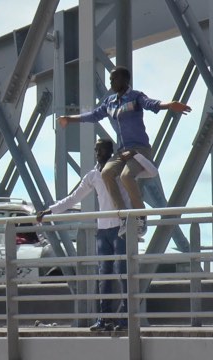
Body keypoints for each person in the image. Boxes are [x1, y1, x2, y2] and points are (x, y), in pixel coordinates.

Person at [36, 138, 157, 332]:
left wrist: (136, 155)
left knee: (123, 273)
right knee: (104, 275)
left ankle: (126, 318)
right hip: (103, 230)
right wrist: (49, 211)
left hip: (121, 228)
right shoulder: (92, 175)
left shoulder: (121, 170)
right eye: (96, 150)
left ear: (110, 152)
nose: (98, 153)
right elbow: (73, 198)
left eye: (101, 150)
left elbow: (152, 172)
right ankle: (104, 318)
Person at [57, 66, 191, 237]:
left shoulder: (135, 97)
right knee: (106, 173)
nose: (110, 82)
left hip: (139, 150)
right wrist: (69, 119)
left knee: (126, 176)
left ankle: (140, 217)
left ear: (125, 80)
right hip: (122, 151)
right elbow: (94, 115)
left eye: (114, 79)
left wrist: (170, 105)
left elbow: (151, 104)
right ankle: (124, 218)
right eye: (110, 79)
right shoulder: (110, 101)